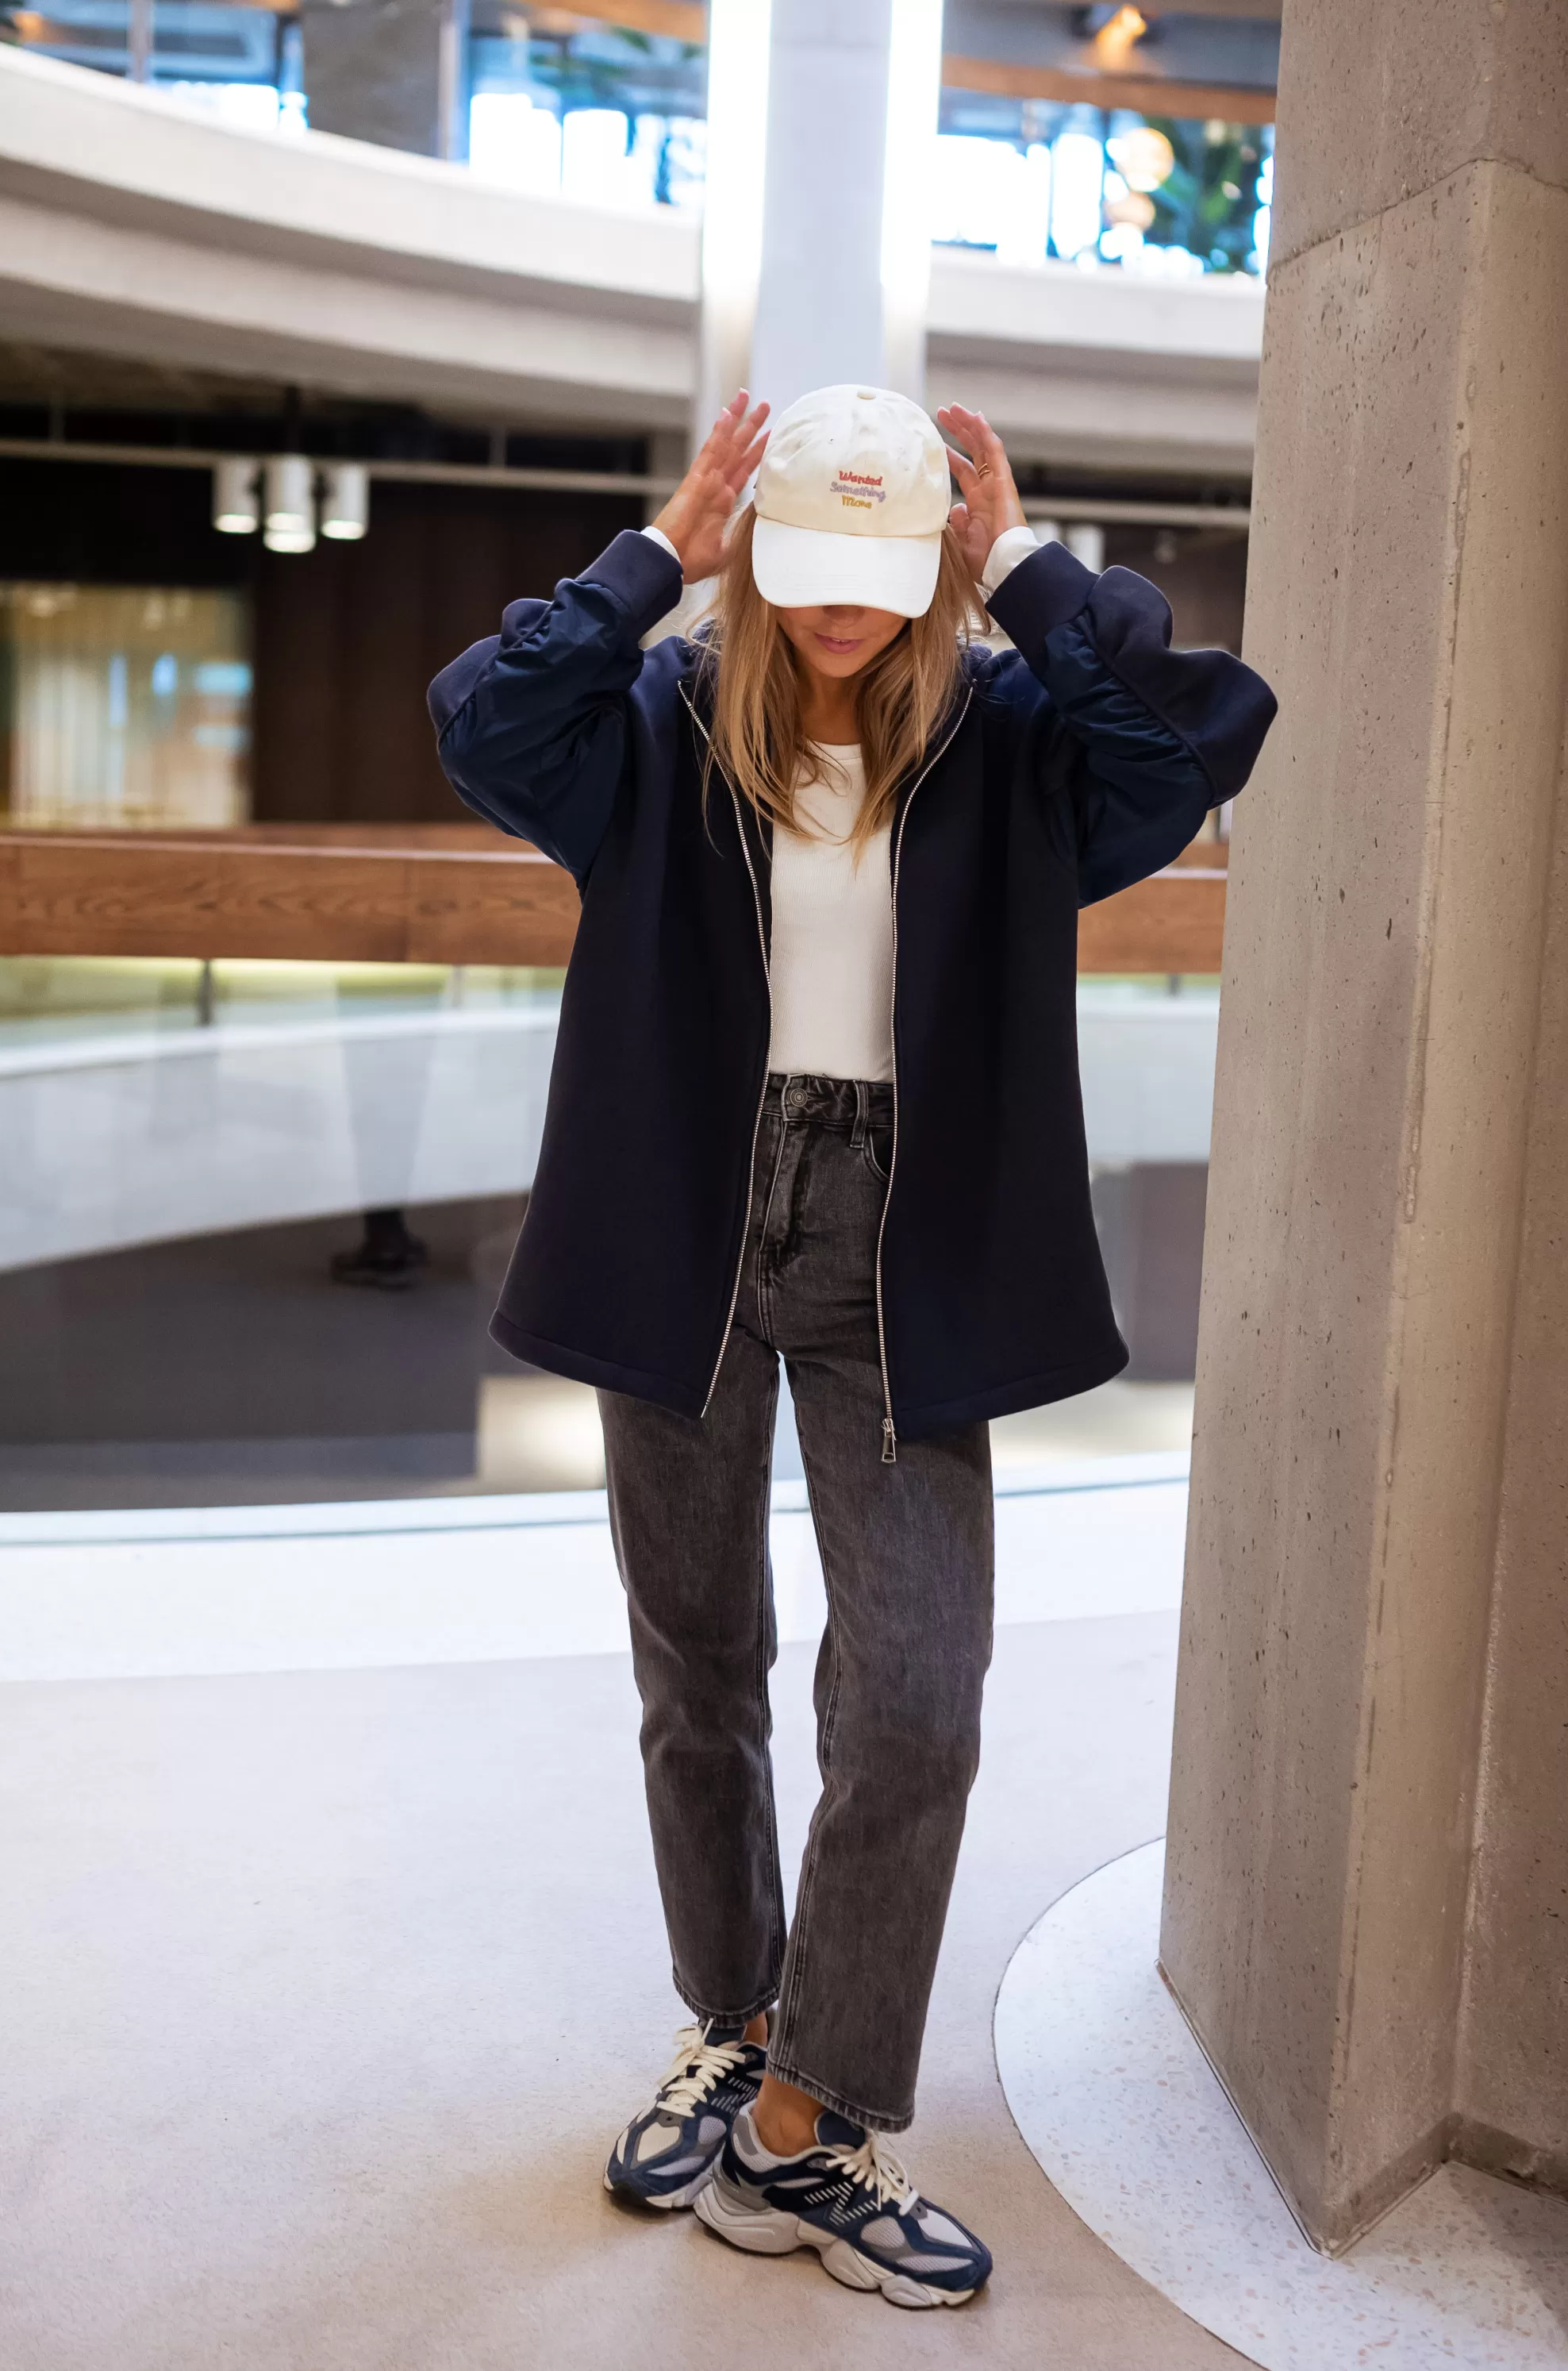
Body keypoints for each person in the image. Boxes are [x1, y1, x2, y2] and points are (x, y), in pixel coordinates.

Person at [429, 384, 1275, 2311]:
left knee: (916, 1693)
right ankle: (734, 2024)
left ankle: (807, 2118)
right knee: (698, 1659)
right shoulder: (658, 723)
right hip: (684, 1213)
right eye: (805, 565)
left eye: (879, 572)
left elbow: (1200, 732)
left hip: (910, 1236)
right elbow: (483, 719)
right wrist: (656, 551)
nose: (837, 608)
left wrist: (1024, 562)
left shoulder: (1013, 736)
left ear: (928, 569)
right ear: (756, 559)